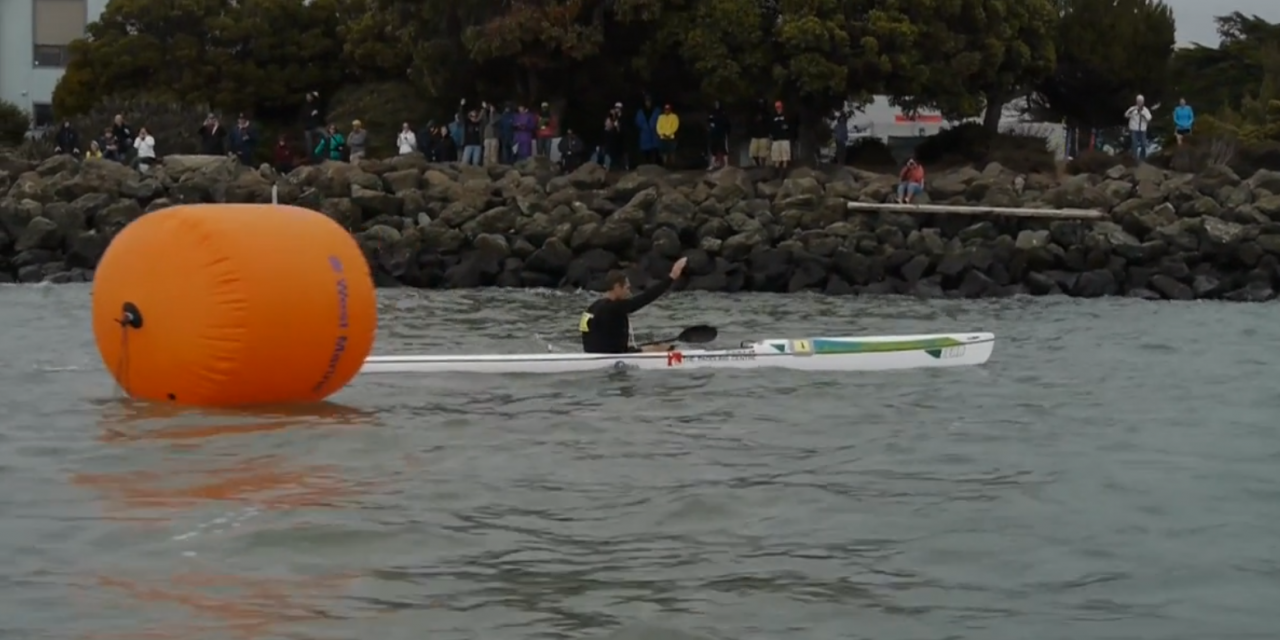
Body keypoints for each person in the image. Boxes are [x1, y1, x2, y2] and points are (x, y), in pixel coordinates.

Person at [580, 257, 688, 354]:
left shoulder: (592, 308)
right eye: (627, 288)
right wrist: (671, 277)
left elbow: (588, 337)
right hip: (613, 357)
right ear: (617, 287)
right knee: (666, 349)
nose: (629, 293)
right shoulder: (614, 308)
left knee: (656, 347)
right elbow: (646, 297)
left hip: (593, 356)